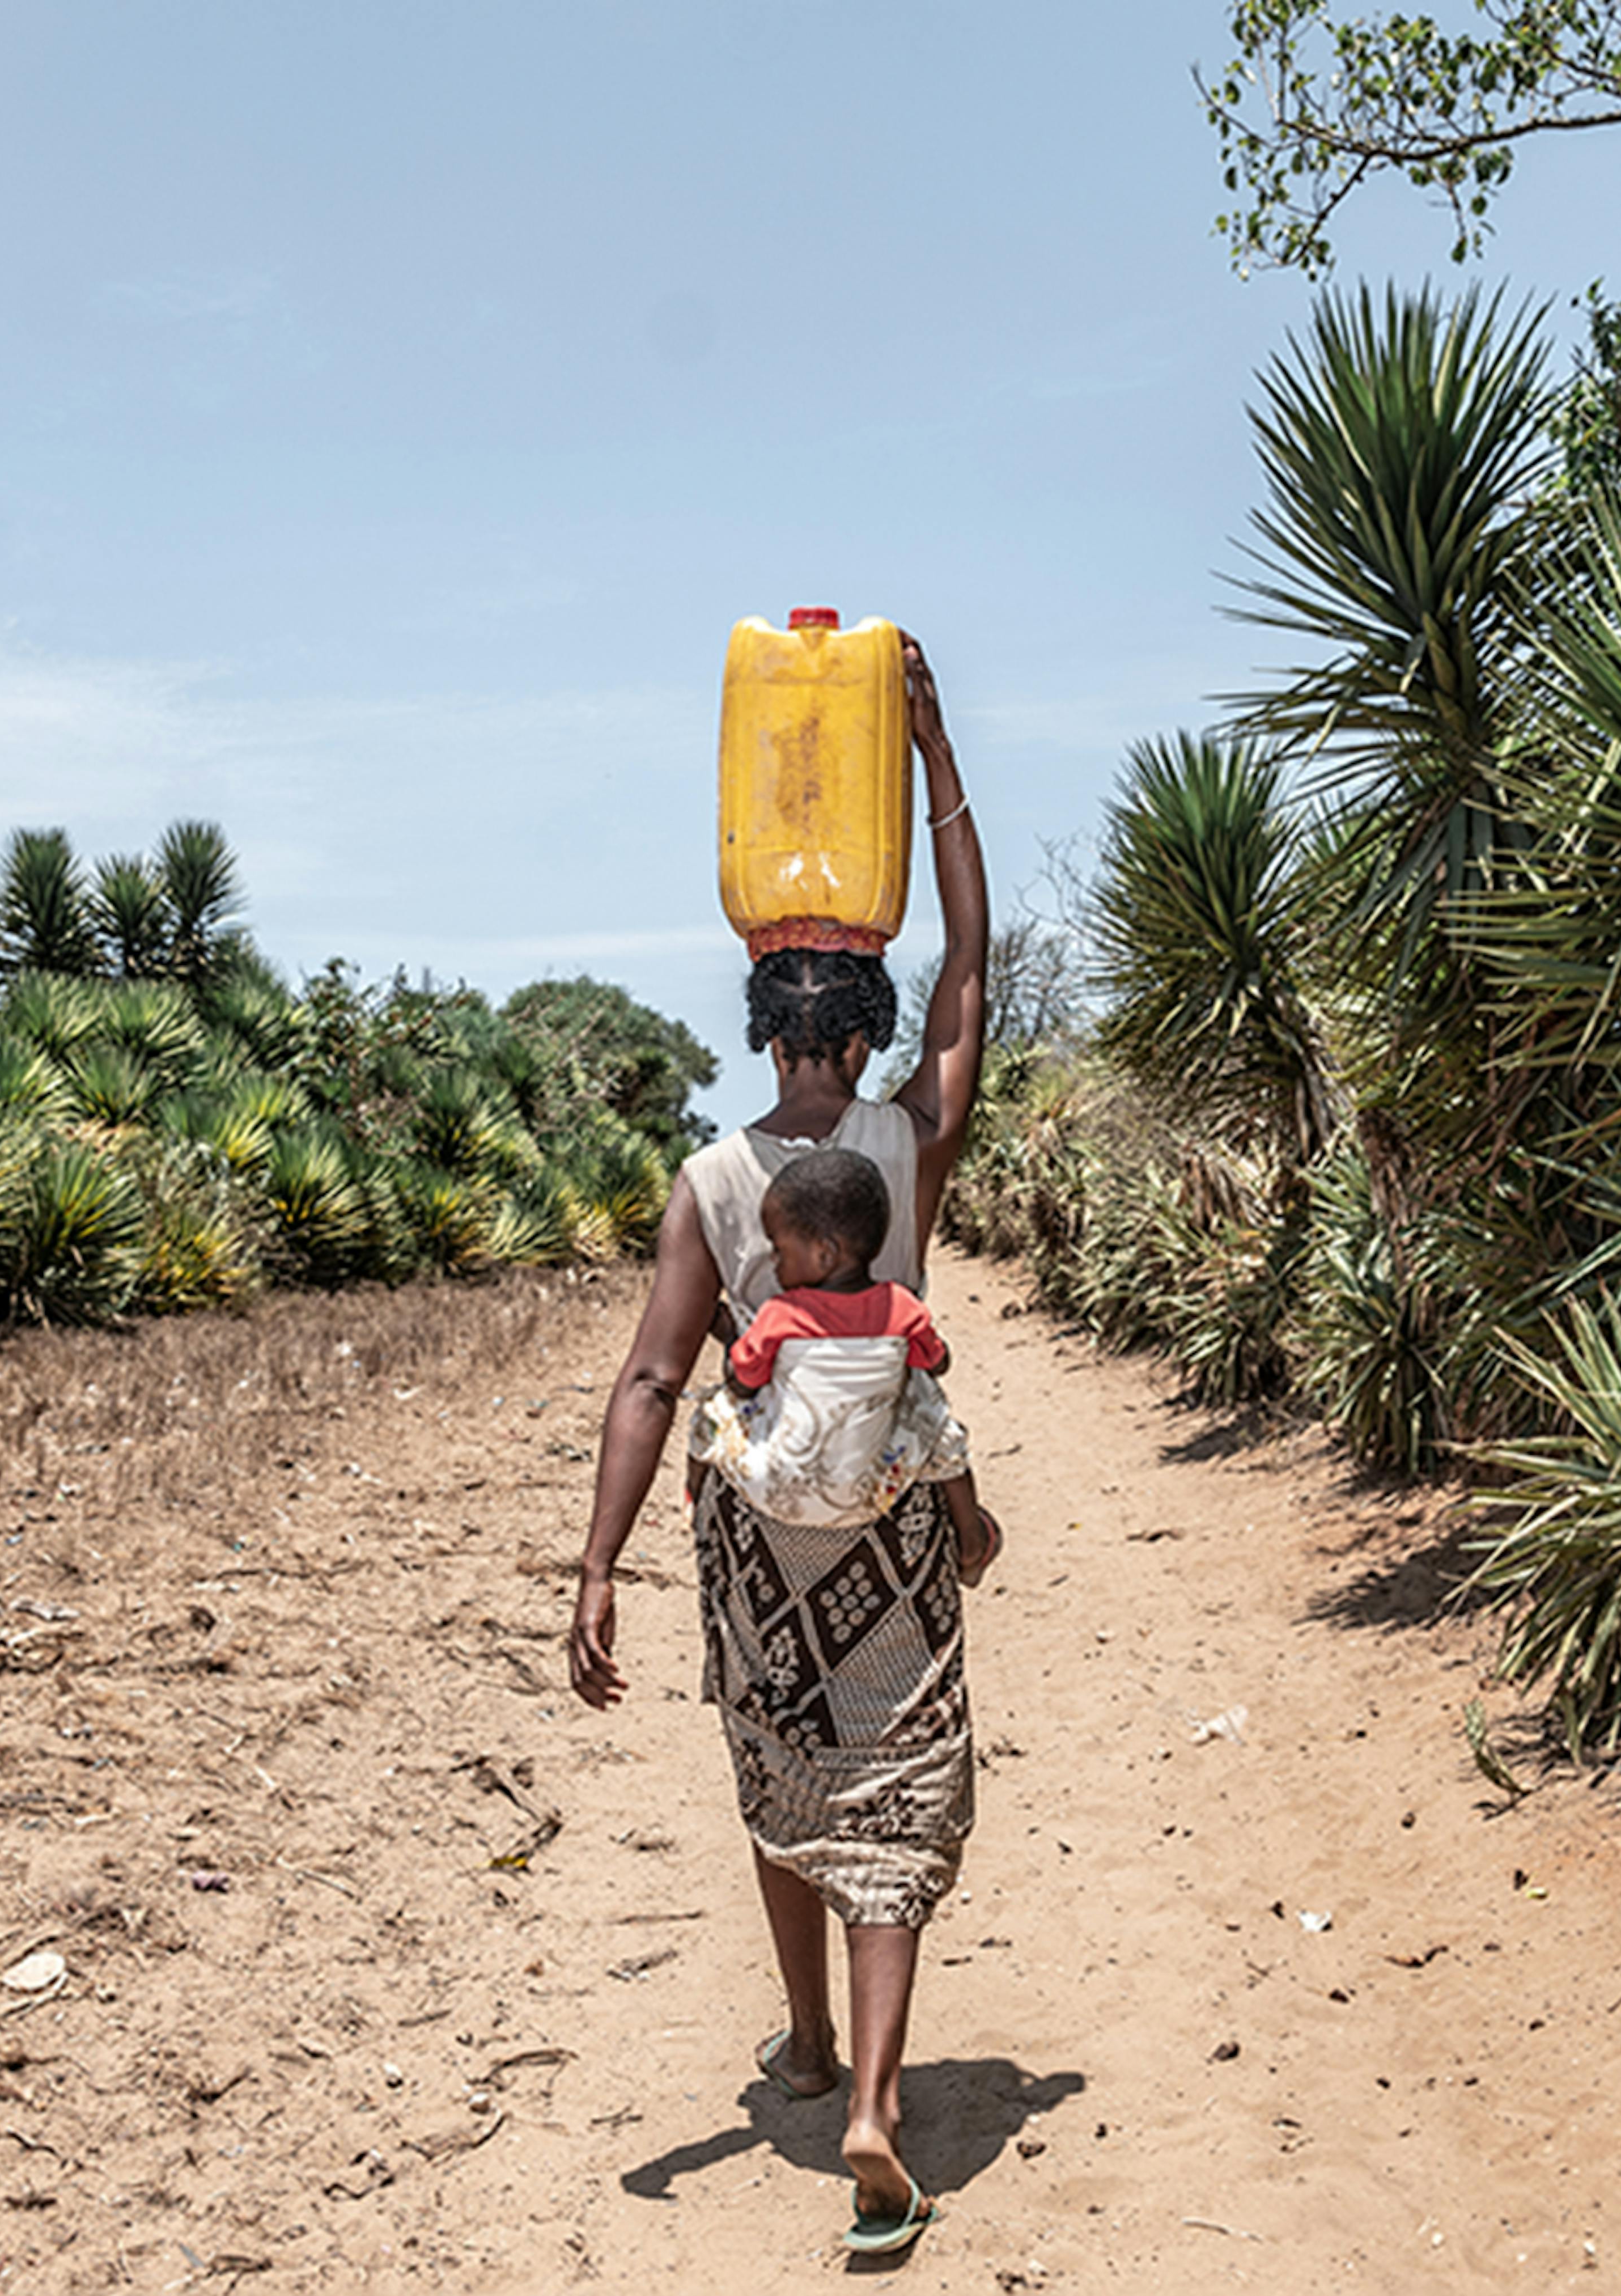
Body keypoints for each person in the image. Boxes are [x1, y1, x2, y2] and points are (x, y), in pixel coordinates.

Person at [567, 630, 995, 2256]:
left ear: (764, 1031)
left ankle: (804, 2047)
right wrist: (933, 754)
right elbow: (971, 962)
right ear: (872, 1030)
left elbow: (649, 1379)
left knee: (786, 1771)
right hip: (890, 1520)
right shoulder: (909, 1142)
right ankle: (878, 2101)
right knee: (894, 1782)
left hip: (754, 1534)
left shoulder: (712, 1179)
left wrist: (599, 1562)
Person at [686, 1148, 977, 1531]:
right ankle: (971, 1534)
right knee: (937, 1419)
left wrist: (729, 1338)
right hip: (874, 1492)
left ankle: (697, 1503)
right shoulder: (902, 1307)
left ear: (825, 1254)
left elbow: (741, 1383)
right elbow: (938, 1364)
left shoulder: (782, 1314)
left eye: (779, 1249)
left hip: (775, 1489)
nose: (774, 1263)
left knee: (709, 1414)